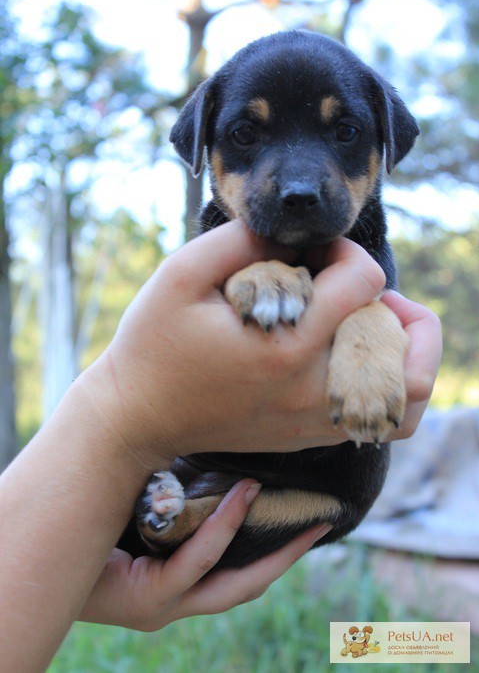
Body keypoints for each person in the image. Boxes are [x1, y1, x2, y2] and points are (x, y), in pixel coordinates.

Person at [0, 220, 442, 672]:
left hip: (319, 487)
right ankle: (178, 518)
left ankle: (176, 519)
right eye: (245, 142)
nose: (298, 182)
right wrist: (123, 411)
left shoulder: (362, 253)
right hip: (194, 473)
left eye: (344, 141)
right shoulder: (224, 253)